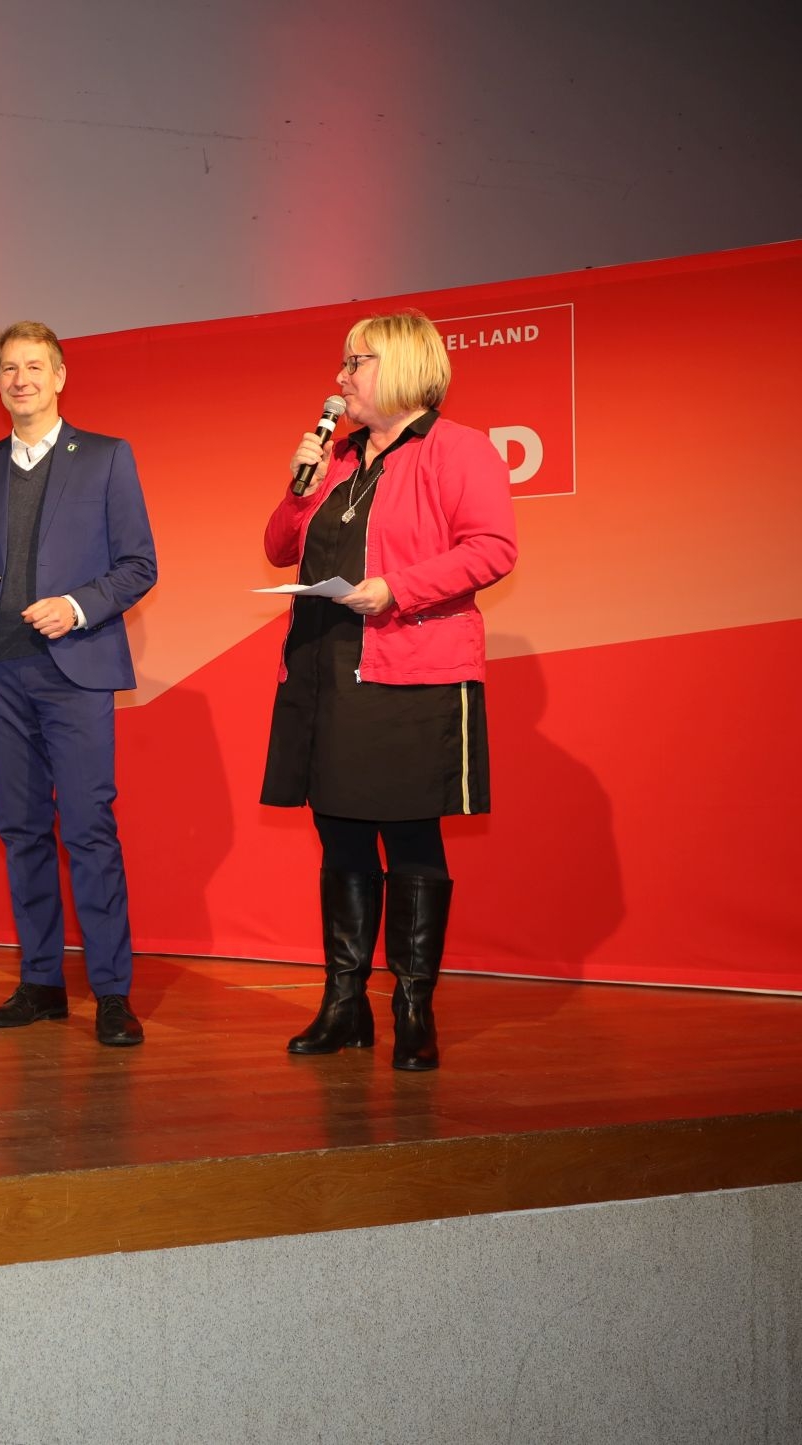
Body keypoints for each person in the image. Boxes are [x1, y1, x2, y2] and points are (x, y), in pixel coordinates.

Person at [262, 309, 517, 1071]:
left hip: (410, 668)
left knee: (409, 836)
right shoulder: (337, 457)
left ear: (403, 367)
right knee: (339, 833)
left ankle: (413, 1009)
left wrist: (396, 588)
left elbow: (493, 548)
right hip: (324, 667)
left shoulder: (457, 448)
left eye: (356, 363)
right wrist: (301, 485)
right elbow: (278, 547)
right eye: (343, 363)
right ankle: (344, 1004)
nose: (340, 378)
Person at [0, 321, 157, 1047]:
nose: (20, 379)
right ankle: (40, 983)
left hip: (76, 672)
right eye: (9, 368)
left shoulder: (107, 457)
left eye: (34, 366)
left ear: (60, 376)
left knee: (89, 828)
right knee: (22, 831)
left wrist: (77, 606)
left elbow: (139, 565)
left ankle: (113, 993)